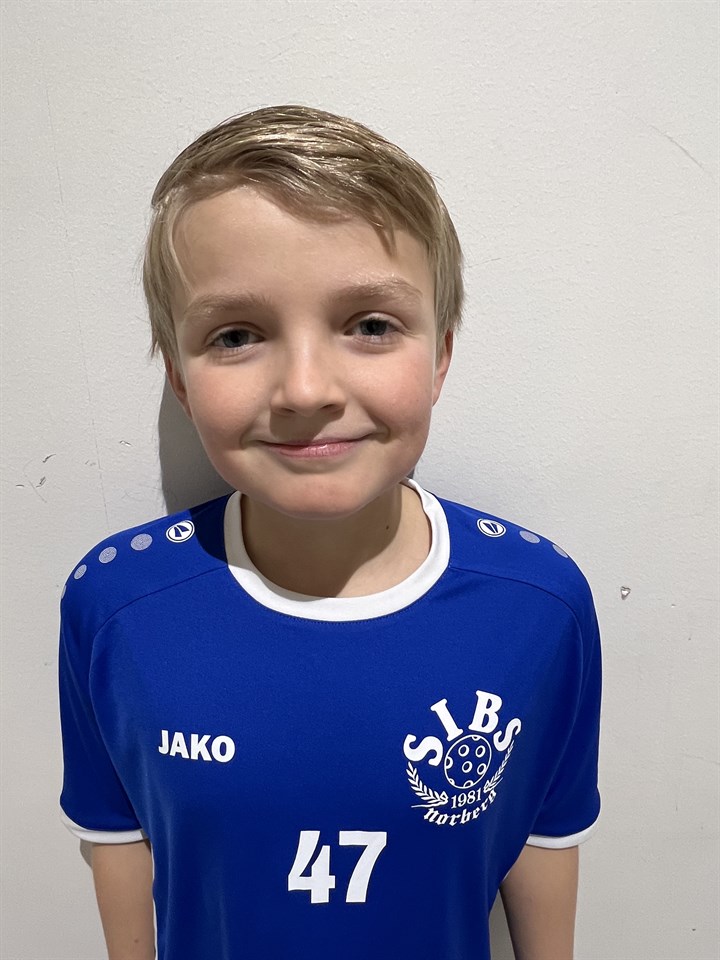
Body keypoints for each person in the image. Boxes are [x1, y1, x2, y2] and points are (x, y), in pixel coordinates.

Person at [58, 104, 602, 960]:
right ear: (180, 378)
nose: (306, 389)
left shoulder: (540, 606)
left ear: (440, 354)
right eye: (237, 335)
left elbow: (546, 836)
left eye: (371, 325)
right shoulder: (115, 605)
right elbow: (118, 836)